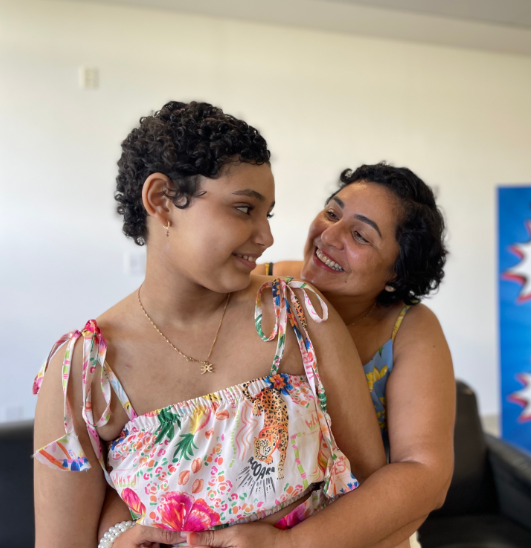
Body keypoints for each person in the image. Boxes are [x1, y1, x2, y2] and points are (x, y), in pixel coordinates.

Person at [33, 101, 387, 548]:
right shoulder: (84, 373)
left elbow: (375, 491)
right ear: (161, 200)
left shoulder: (299, 316)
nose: (266, 237)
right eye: (244, 208)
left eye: (267, 214)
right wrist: (118, 539)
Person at [102, 163, 456, 548]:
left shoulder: (408, 328)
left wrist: (290, 544)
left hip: (364, 528)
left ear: (396, 273)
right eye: (332, 213)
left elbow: (425, 474)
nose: (329, 236)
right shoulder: (258, 290)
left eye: (360, 235)